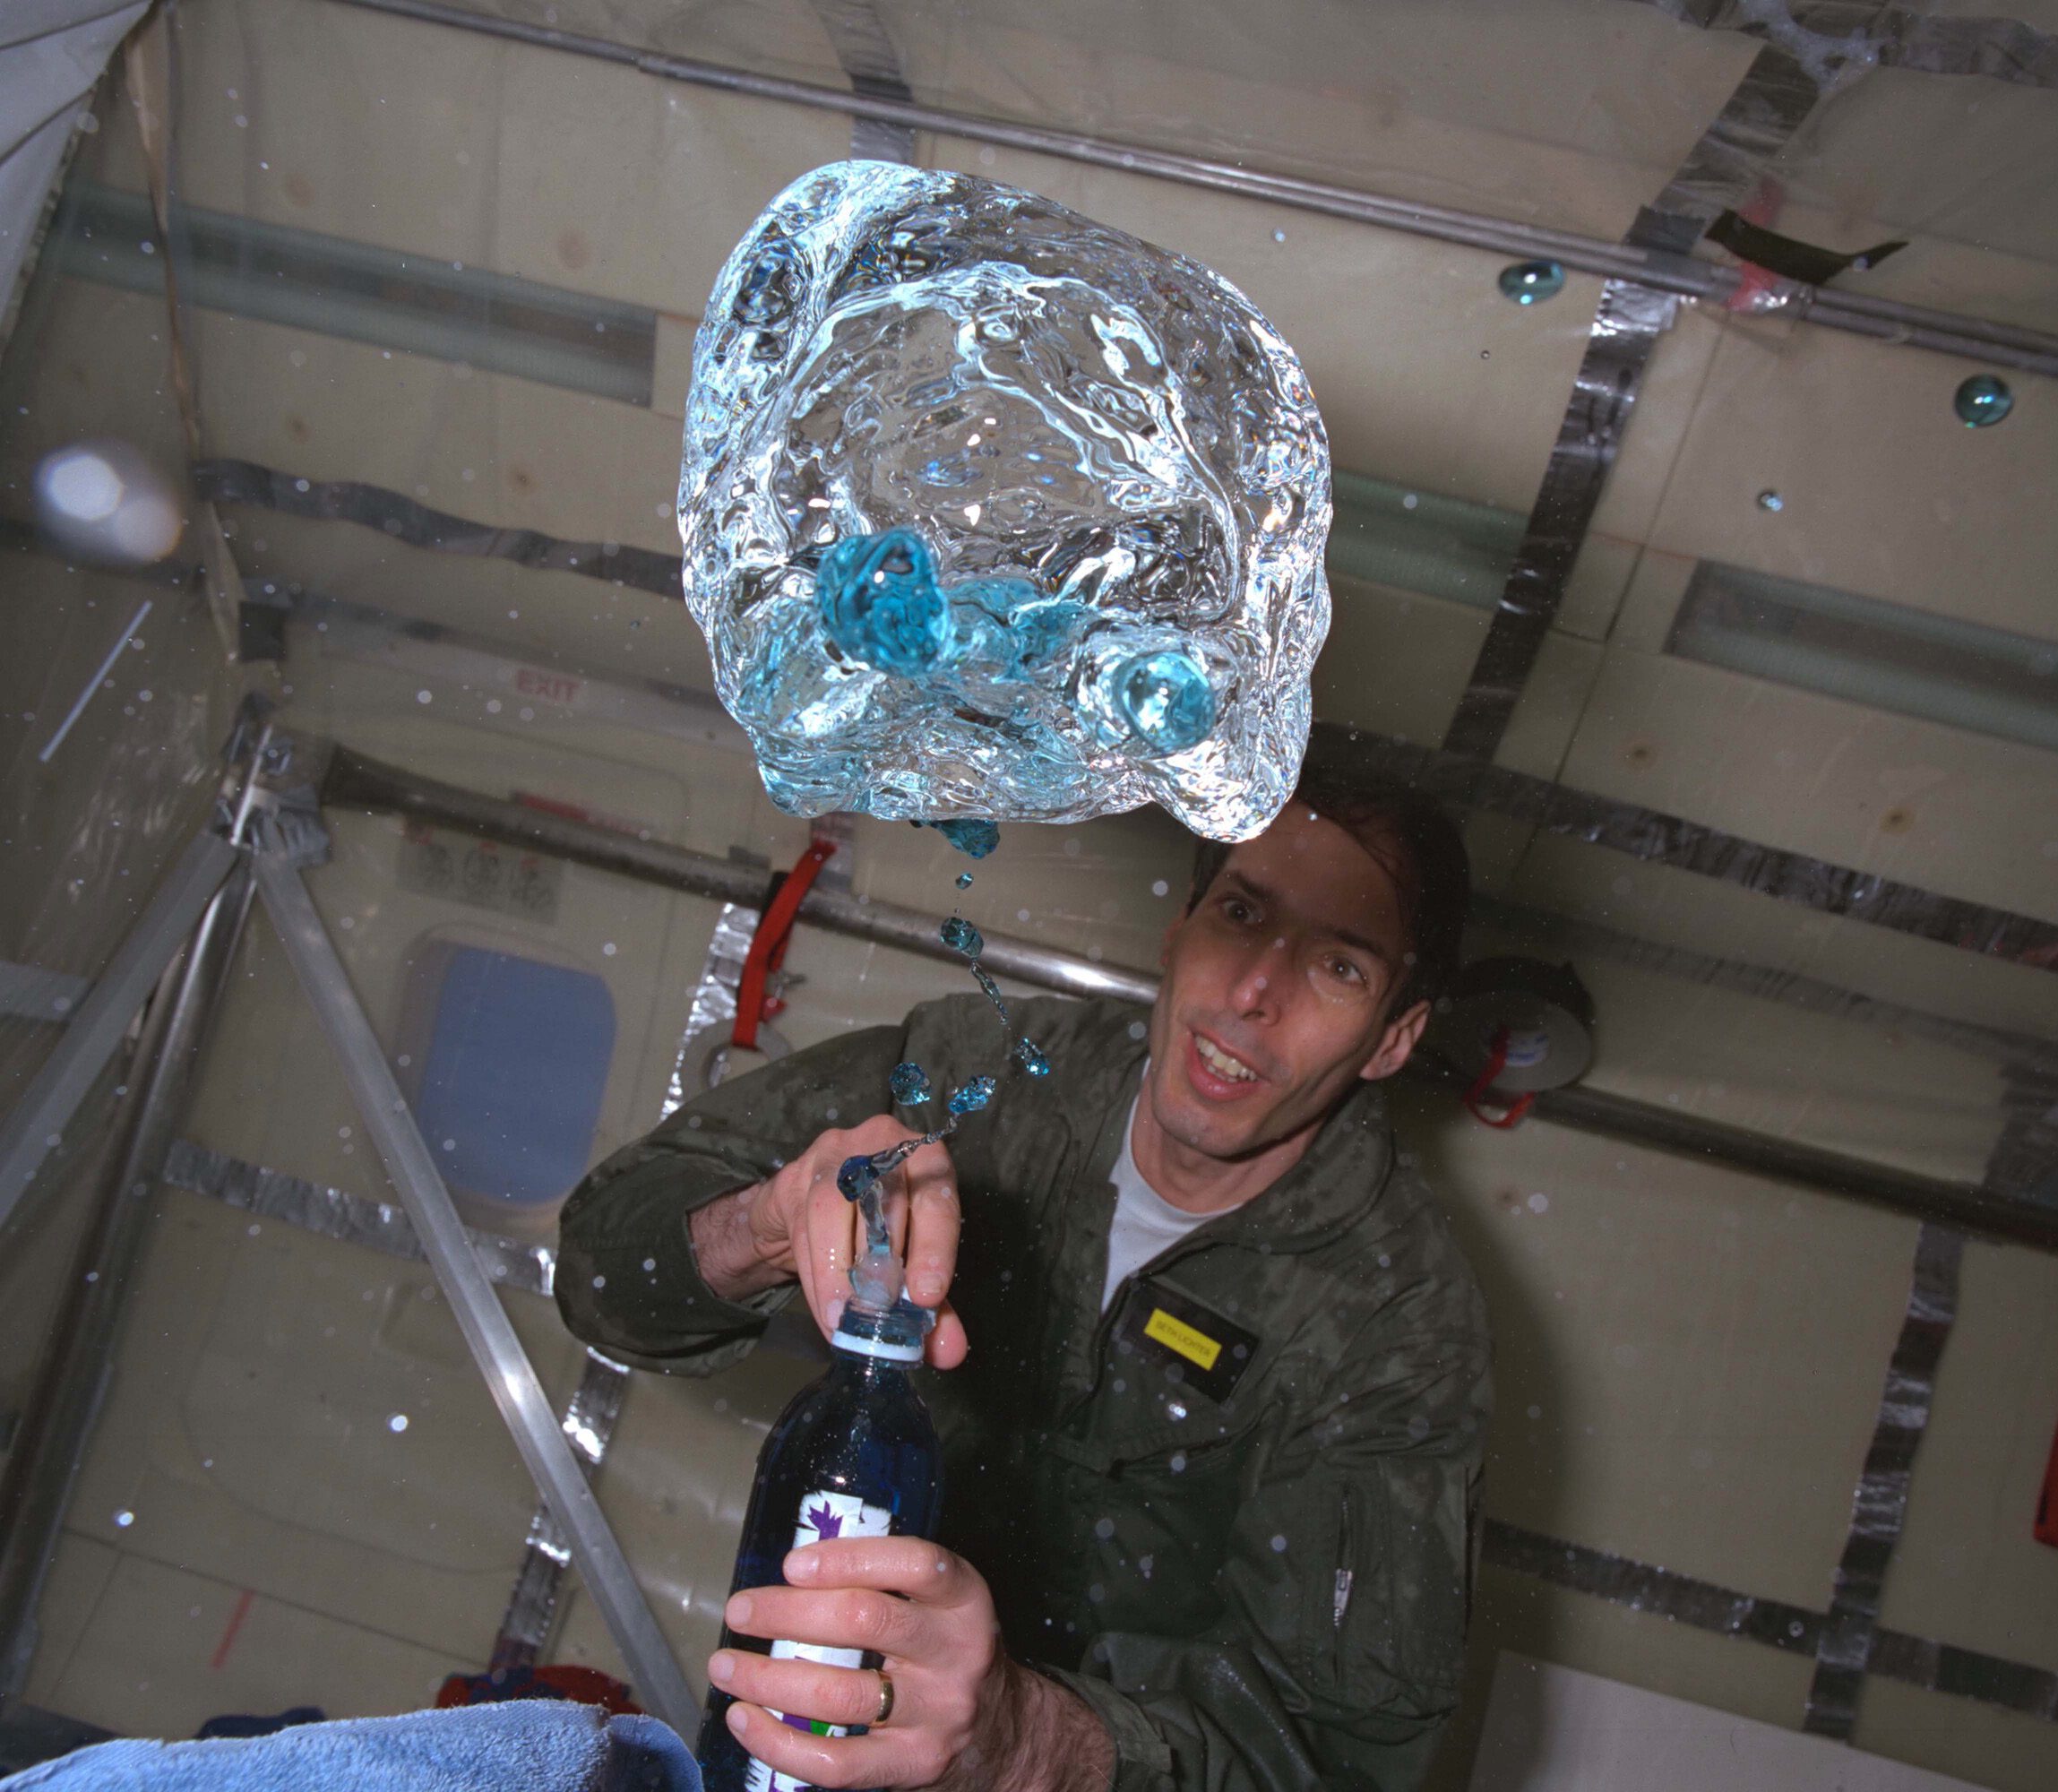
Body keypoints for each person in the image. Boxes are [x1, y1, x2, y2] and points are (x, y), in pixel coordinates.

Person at [555, 768, 1492, 1792]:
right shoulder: (978, 1075)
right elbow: (603, 1273)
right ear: (1177, 929)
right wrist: (761, 1225)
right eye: (1239, 912)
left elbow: (1338, 1764)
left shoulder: (1396, 1324)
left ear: (1393, 1036)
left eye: (1338, 967)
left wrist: (1022, 1739)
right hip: (801, 1746)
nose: (1253, 993)